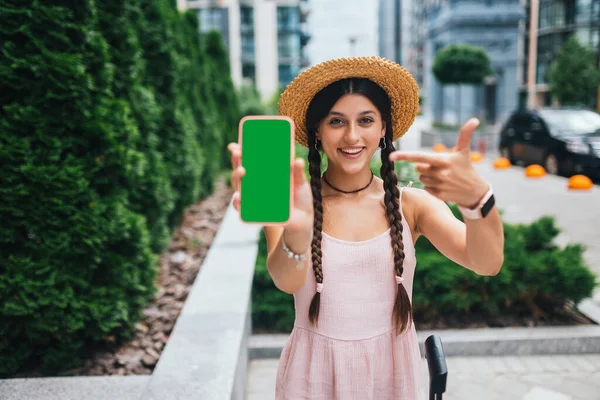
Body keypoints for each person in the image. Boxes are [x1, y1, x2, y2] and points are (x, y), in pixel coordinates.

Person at [228, 56, 504, 400]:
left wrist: (478, 201)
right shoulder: (290, 205)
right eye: (336, 121)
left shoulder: (411, 205)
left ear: (384, 127)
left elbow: (486, 263)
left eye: (366, 120)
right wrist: (298, 231)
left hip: (390, 376)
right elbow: (286, 281)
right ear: (317, 129)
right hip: (312, 377)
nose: (352, 135)